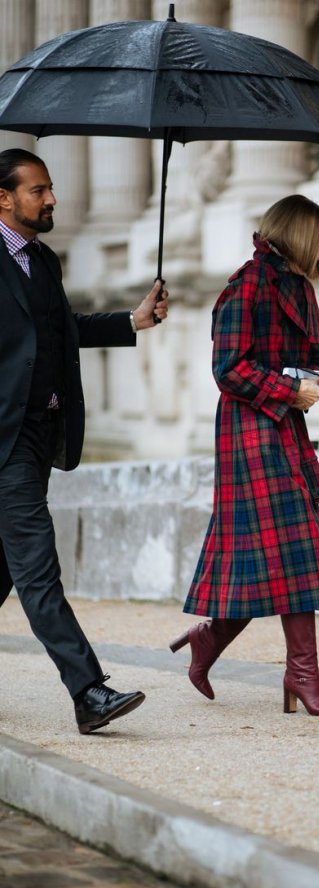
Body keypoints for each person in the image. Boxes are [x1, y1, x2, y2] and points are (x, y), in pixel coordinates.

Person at [0, 148, 169, 734]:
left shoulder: (43, 260)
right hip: (6, 439)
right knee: (38, 566)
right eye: (38, 190)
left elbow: (61, 330)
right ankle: (87, 691)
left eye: (50, 190)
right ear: (3, 198)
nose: (50, 200)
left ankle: (86, 690)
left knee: (7, 567)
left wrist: (132, 320)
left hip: (40, 433)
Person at [171, 194, 319, 716]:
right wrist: (287, 390)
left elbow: (312, 357)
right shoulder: (245, 286)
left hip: (284, 428)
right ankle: (302, 674)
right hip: (248, 430)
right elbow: (227, 369)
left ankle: (210, 641)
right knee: (292, 544)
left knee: (266, 556)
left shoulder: (301, 288)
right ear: (297, 234)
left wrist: (314, 382)